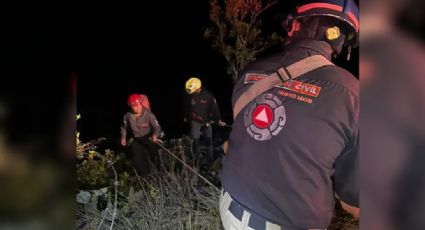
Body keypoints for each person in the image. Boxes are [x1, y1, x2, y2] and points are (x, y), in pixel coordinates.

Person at [219, 0, 359, 229]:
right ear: (340, 40)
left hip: (230, 208)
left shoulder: (250, 72)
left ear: (294, 26)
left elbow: (250, 136)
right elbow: (352, 201)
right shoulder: (352, 94)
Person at [184, 77, 225, 166]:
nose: (191, 92)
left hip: (207, 121)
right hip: (195, 121)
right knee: (195, 140)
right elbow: (188, 107)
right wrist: (187, 117)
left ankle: (210, 161)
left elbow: (215, 108)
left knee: (209, 141)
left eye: (193, 90)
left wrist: (218, 119)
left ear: (198, 88)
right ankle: (198, 160)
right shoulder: (190, 96)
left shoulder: (208, 96)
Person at [121, 93, 161, 176]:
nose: (138, 107)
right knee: (137, 157)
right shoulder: (127, 116)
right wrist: (123, 137)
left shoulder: (149, 115)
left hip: (148, 136)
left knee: (154, 153)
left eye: (139, 104)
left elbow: (157, 128)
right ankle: (144, 176)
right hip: (136, 139)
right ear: (130, 106)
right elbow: (124, 128)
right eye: (135, 106)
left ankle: (160, 171)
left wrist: (155, 135)